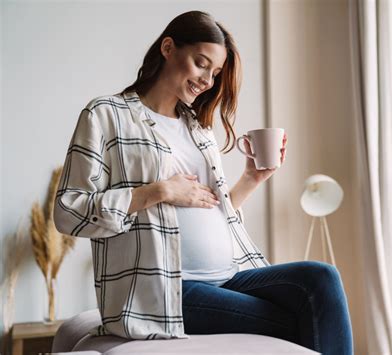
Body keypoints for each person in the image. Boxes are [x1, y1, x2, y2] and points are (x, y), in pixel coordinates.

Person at [54, 10, 353, 355]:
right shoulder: (107, 115)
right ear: (168, 48)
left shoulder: (198, 129)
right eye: (201, 63)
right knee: (299, 317)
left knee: (322, 277)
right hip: (168, 288)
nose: (208, 80)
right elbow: (68, 211)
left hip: (228, 277)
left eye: (215, 73)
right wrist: (159, 191)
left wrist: (252, 178)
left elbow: (212, 210)